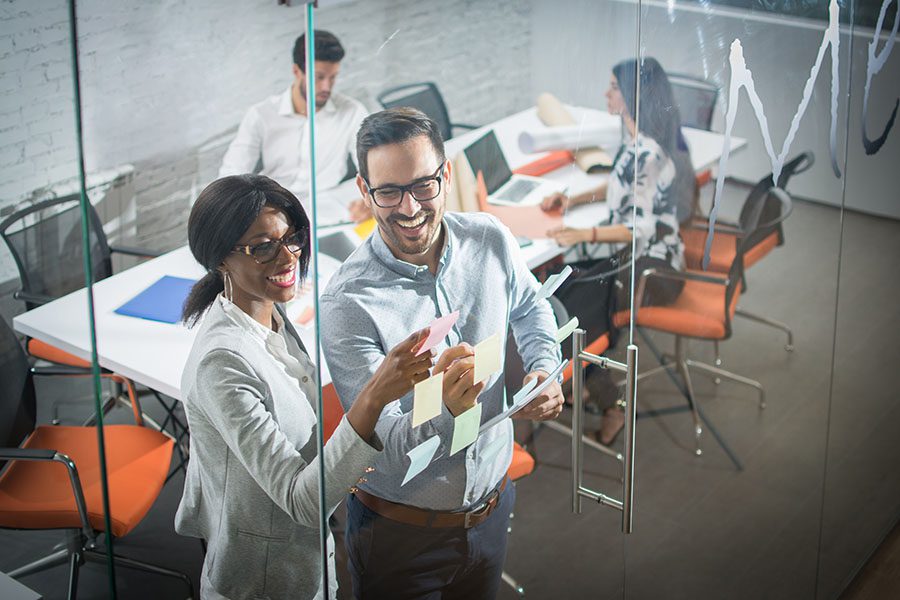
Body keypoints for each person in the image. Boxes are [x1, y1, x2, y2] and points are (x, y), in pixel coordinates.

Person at [320, 108, 565, 599]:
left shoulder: (490, 238)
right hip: (401, 532)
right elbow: (381, 447)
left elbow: (533, 306)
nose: (409, 208)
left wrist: (543, 367)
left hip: (492, 507)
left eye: (423, 186)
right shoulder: (347, 302)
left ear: (446, 175)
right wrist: (449, 413)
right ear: (364, 192)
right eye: (388, 191)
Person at [175, 174, 435, 600]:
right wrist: (374, 396)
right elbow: (302, 502)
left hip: (307, 561)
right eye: (262, 248)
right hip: (262, 579)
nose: (288, 256)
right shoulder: (221, 363)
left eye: (291, 238)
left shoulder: (269, 315)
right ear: (220, 259)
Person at [542, 57, 691, 445]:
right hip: (637, 259)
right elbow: (620, 183)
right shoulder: (636, 141)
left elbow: (638, 226)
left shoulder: (647, 151)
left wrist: (582, 232)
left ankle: (610, 404)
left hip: (653, 271)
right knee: (565, 289)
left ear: (630, 96)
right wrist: (572, 199)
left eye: (612, 87)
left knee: (571, 305)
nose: (606, 94)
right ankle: (587, 381)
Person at [218, 30, 372, 222]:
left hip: (332, 208)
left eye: (333, 77)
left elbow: (372, 166)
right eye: (319, 77)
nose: (326, 87)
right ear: (297, 71)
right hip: (276, 210)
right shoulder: (261, 114)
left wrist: (369, 199)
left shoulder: (352, 111)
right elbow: (231, 174)